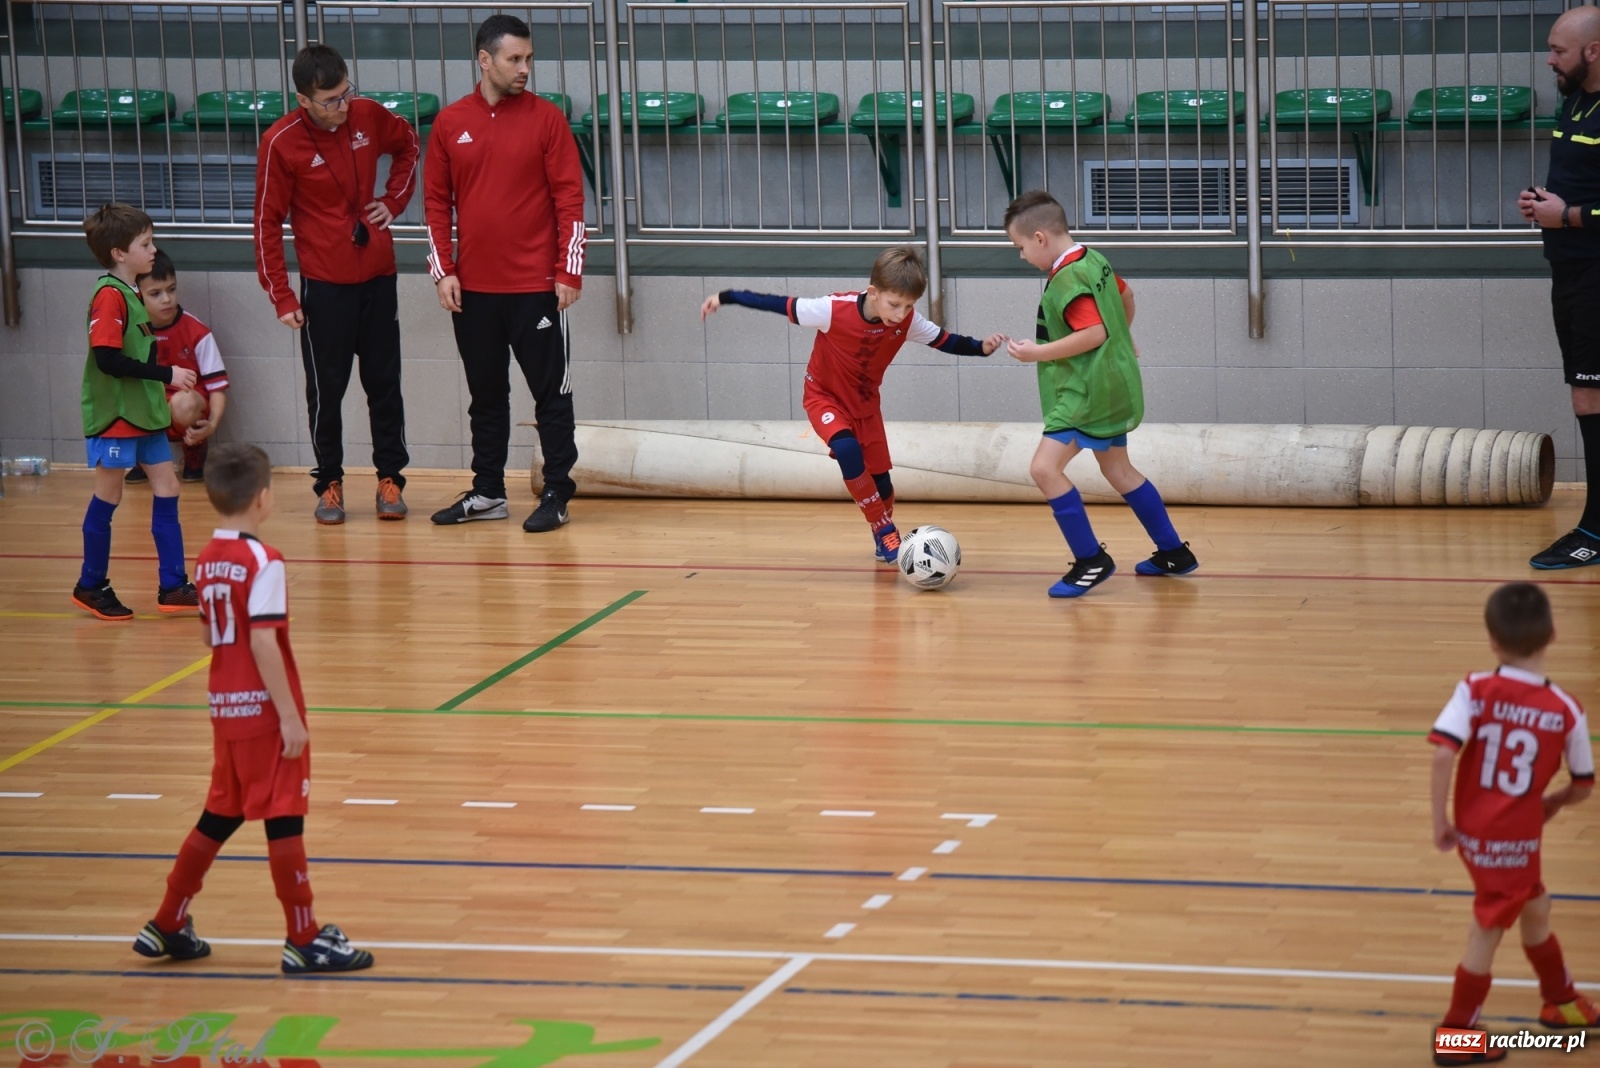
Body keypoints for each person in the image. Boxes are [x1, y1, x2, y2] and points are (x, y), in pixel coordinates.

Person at [133, 442, 374, 975]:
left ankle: (168, 919)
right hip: (264, 712)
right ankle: (304, 938)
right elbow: (264, 642)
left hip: (225, 706)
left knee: (220, 813)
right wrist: (289, 716)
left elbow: (206, 636)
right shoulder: (263, 560)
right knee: (284, 820)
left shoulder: (209, 558)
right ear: (263, 499)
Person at [700, 247, 1004, 563]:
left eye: (909, 306)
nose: (900, 314)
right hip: (823, 397)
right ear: (873, 292)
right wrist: (727, 296)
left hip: (866, 406)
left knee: (883, 482)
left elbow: (946, 341)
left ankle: (880, 529)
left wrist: (981, 348)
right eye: (894, 304)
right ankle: (882, 527)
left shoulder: (906, 321)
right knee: (847, 450)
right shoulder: (831, 309)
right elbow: (778, 304)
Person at [424, 13, 587, 532]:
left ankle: (558, 492)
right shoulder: (450, 122)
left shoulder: (547, 119)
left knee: (551, 396)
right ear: (484, 60)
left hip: (536, 289)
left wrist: (569, 270)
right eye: (515, 59)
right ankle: (488, 492)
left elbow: (570, 198)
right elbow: (434, 204)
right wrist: (442, 270)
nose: (525, 68)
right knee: (486, 398)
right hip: (473, 292)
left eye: (529, 58)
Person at [1427, 583, 1595, 1064]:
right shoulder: (1566, 709)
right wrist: (1557, 801)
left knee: (1537, 905)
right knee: (1488, 928)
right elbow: (1584, 785)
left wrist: (1441, 820)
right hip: (1517, 837)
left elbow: (1443, 754)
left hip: (1476, 832)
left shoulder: (1474, 689)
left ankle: (1561, 1000)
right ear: (1553, 635)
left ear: (1493, 641)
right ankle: (1457, 1036)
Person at [1002, 190, 1197, 598]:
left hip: (1087, 391)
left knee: (1044, 469)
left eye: (1019, 246)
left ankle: (1090, 560)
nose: (1020, 256)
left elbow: (1093, 332)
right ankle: (1173, 552)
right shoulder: (1093, 258)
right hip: (1115, 384)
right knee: (1119, 471)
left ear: (1039, 238)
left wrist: (1038, 352)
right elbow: (1126, 296)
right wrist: (1125, 337)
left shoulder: (1067, 276)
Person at [254, 44, 418, 525]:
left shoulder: (367, 115)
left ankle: (391, 480)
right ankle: (329, 484)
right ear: (304, 100)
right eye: (330, 101)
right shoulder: (280, 142)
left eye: (346, 94)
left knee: (385, 385)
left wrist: (393, 200)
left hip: (379, 278)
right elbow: (266, 223)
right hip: (325, 288)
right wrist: (281, 294)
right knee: (327, 391)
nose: (342, 107)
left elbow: (409, 145)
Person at [71, 203, 199, 621]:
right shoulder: (109, 297)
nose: (153, 249)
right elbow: (107, 359)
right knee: (109, 494)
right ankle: (91, 584)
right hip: (118, 416)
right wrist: (167, 374)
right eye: (145, 243)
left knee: (169, 487)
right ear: (119, 254)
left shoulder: (131, 293)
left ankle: (173, 585)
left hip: (144, 414)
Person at [1518, 5, 1600, 570]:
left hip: (1596, 271)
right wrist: (1543, 205)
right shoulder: (1572, 101)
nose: (1550, 59)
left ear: (1593, 52)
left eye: (1559, 50)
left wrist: (1566, 215)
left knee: (1589, 394)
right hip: (1569, 270)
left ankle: (1595, 530)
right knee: (1586, 395)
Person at [123, 251, 229, 484]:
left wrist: (211, 425)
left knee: (184, 402)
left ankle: (194, 452)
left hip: (184, 404)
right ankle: (141, 457)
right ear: (138, 296)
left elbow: (218, 388)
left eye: (171, 289)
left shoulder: (197, 332)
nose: (167, 299)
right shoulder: (130, 332)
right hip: (149, 406)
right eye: (156, 293)